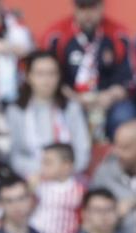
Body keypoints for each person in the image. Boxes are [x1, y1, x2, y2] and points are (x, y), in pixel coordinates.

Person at [42, 0, 136, 136]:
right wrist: (74, 98)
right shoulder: (57, 36)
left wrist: (110, 96)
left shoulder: (119, 34)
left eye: (92, 7)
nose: (87, 14)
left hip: (109, 100)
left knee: (124, 116)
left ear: (102, 7)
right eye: (82, 8)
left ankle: (116, 155)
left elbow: (132, 77)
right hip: (71, 99)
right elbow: (46, 75)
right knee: (57, 112)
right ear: (74, 8)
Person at [5, 50, 93, 180]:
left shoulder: (72, 108)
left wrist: (65, 171)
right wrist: (43, 170)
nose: (46, 80)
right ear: (29, 76)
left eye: (52, 74)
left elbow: (83, 150)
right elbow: (14, 155)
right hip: (31, 178)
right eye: (40, 74)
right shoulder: (16, 111)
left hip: (69, 177)